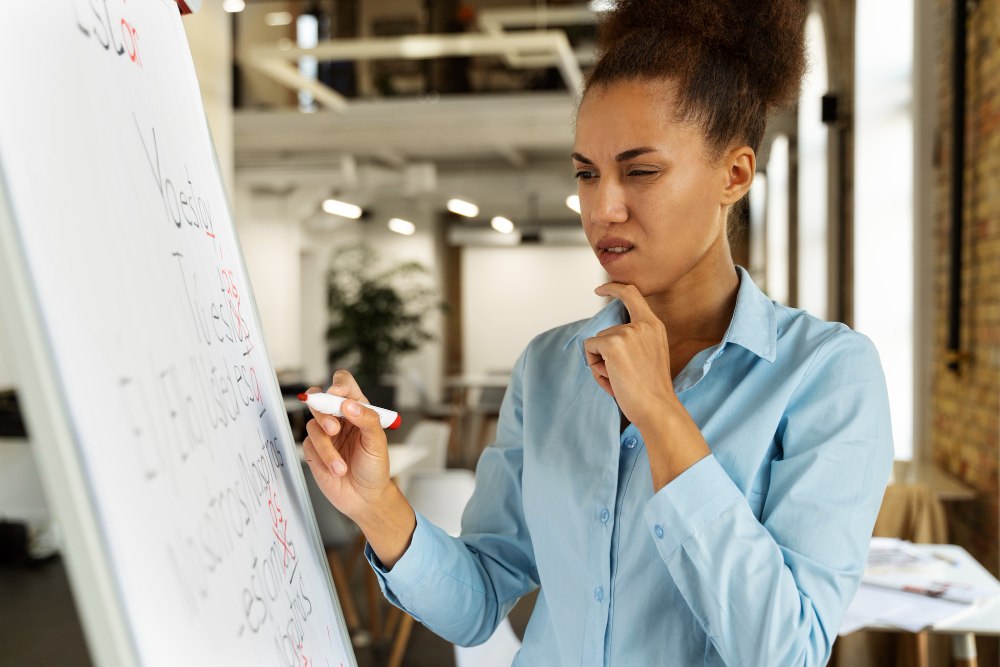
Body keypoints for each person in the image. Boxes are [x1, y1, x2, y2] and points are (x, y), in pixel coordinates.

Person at [303, 1, 894, 664]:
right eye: (586, 172)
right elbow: (479, 601)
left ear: (734, 174)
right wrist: (376, 504)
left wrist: (661, 416)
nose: (602, 207)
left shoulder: (825, 375)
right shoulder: (549, 368)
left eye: (641, 171)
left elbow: (786, 651)